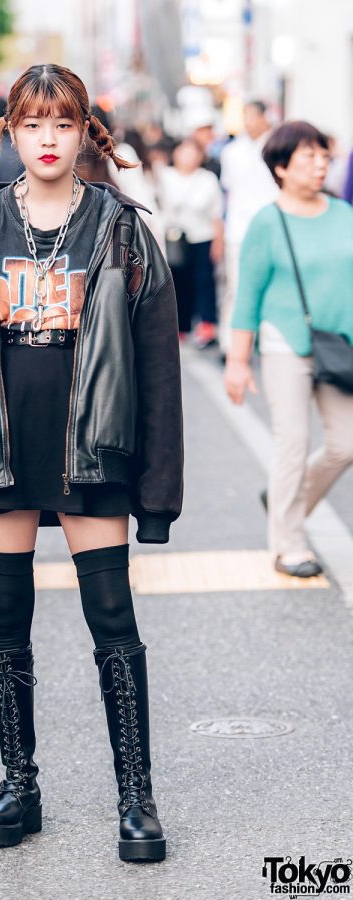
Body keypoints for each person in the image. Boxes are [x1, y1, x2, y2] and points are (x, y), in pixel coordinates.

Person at [0, 63, 183, 862]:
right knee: (6, 625)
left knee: (114, 624)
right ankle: (19, 784)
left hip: (93, 449)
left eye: (62, 124)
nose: (47, 140)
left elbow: (158, 366)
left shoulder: (122, 227)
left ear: (85, 131)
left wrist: (159, 491)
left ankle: (136, 796)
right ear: (9, 133)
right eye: (32, 125)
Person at [224, 121, 353, 577]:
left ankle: (283, 498)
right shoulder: (268, 222)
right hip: (285, 344)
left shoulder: (344, 213)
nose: (320, 165)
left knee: (345, 444)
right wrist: (238, 362)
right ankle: (287, 543)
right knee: (293, 444)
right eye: (308, 158)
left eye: (324, 156)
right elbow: (248, 297)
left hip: (340, 346)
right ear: (280, 167)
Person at [219, 100, 278, 356]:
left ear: (265, 118)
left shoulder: (277, 146)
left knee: (271, 286)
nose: (248, 121)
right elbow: (228, 190)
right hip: (239, 228)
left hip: (272, 226)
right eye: (245, 116)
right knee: (236, 286)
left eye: (253, 116)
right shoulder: (231, 152)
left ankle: (267, 341)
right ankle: (228, 343)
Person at [160, 137, 223, 343]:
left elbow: (217, 213)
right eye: (183, 151)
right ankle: (180, 326)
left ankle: (207, 324)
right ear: (175, 153)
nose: (188, 156)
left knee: (204, 281)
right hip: (174, 238)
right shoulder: (164, 176)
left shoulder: (207, 179)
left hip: (203, 237)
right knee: (177, 282)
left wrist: (218, 241)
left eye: (193, 152)